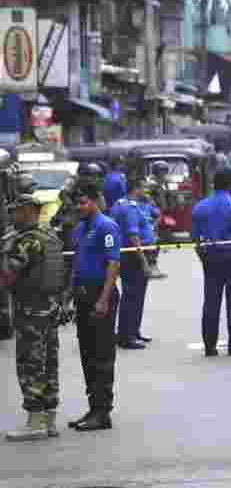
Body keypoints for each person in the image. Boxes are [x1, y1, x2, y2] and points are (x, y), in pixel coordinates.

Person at [1, 195, 64, 441]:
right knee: (49, 363)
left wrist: (5, 251)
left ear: (27, 211)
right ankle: (49, 420)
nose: (12, 216)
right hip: (50, 310)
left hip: (30, 313)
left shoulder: (26, 241)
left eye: (15, 211)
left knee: (30, 365)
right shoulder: (50, 237)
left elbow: (7, 276)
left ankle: (35, 422)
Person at [69, 181, 121, 431]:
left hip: (100, 294)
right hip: (82, 295)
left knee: (102, 354)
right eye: (77, 203)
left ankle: (102, 412)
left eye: (84, 202)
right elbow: (77, 263)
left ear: (95, 200)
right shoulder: (80, 229)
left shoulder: (106, 226)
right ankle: (93, 407)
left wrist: (103, 299)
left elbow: (113, 264)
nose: (80, 207)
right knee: (87, 354)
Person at [191, 167, 231, 357]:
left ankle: (210, 347)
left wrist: (204, 258)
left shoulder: (200, 207)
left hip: (211, 260)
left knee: (211, 303)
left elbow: (195, 239)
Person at [111, 179, 153, 350]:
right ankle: (127, 336)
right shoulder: (130, 208)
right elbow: (133, 236)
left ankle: (133, 331)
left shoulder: (120, 204)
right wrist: (144, 262)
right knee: (133, 296)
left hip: (128, 255)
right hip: (133, 256)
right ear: (136, 189)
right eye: (144, 188)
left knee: (133, 295)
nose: (146, 191)